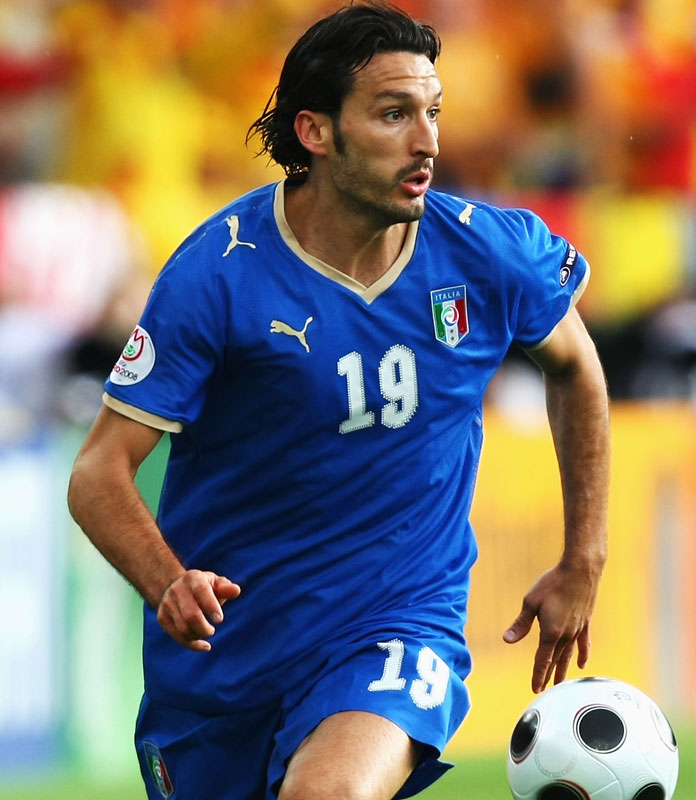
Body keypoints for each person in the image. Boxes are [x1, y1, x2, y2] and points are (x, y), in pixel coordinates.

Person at [67, 3, 610, 798]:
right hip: (227, 663)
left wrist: (583, 558)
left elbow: (575, 366)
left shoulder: (487, 253)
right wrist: (167, 581)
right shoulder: (218, 274)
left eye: (432, 112)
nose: (426, 140)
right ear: (316, 132)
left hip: (397, 625)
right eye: (393, 115)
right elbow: (97, 473)